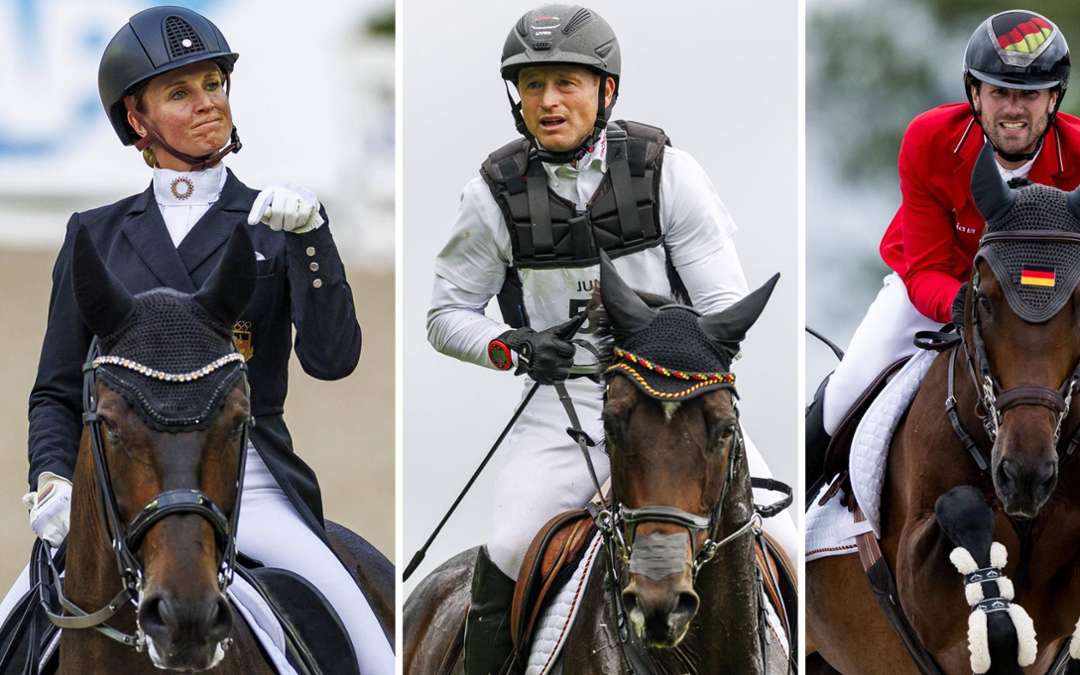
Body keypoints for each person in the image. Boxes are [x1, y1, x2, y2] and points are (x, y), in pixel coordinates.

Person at [0, 6, 393, 674]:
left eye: (214, 84)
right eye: (181, 92)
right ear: (137, 118)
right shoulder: (94, 235)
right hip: (119, 483)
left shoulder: (274, 221)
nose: (208, 102)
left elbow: (334, 359)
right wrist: (52, 479)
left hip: (248, 479)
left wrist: (314, 240)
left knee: (371, 643)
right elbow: (58, 388)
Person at [426, 4, 799, 672]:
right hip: (562, 409)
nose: (547, 100)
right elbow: (445, 314)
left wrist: (654, 342)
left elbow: (719, 304)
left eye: (566, 82)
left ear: (606, 91)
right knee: (511, 545)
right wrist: (511, 344)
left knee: (789, 548)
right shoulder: (491, 193)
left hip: (678, 404)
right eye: (532, 84)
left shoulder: (669, 173)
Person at [804, 10, 1080, 671]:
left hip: (1056, 317)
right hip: (943, 290)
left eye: (1029, 94)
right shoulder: (928, 141)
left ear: (1053, 100)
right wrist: (973, 314)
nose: (1014, 108)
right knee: (839, 397)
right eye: (1000, 91)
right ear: (974, 93)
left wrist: (1051, 317)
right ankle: (781, 561)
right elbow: (920, 263)